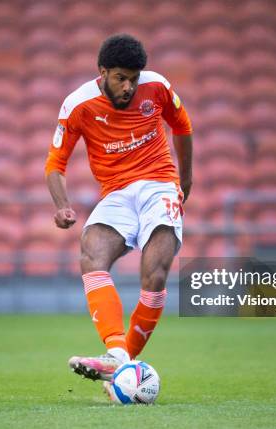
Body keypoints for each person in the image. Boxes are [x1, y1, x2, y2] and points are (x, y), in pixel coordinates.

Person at [44, 34, 193, 399]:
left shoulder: (156, 86)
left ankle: (120, 361)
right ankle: (118, 356)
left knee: (154, 273)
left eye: (133, 79)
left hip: (159, 184)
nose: (128, 87)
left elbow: (182, 127)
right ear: (103, 71)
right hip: (116, 193)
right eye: (120, 78)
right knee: (91, 250)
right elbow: (55, 164)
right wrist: (61, 204)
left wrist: (185, 181)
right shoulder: (77, 105)